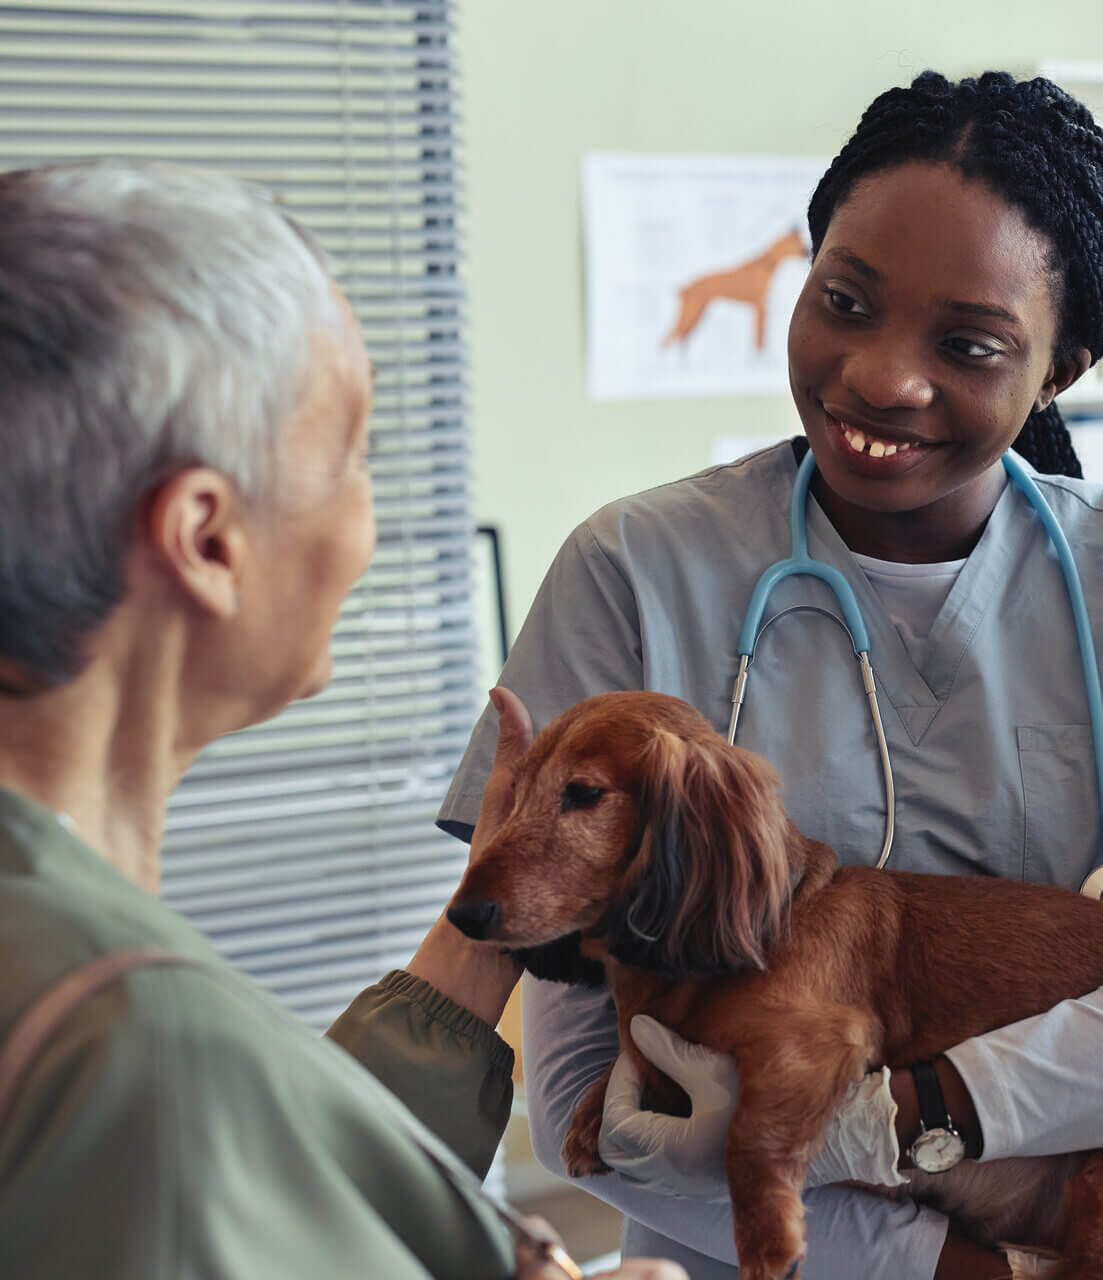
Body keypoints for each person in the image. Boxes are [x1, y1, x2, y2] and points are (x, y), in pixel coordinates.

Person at [438, 71, 1103, 1279]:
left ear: (1061, 367)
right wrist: (964, 1270)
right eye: (844, 300)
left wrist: (924, 1109)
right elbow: (591, 1110)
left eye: (968, 344)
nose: (881, 377)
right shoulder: (632, 573)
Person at [0, 160, 684, 1280]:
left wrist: (497, 903)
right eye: (354, 451)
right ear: (206, 537)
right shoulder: (130, 1036)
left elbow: (258, 1164)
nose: (370, 523)